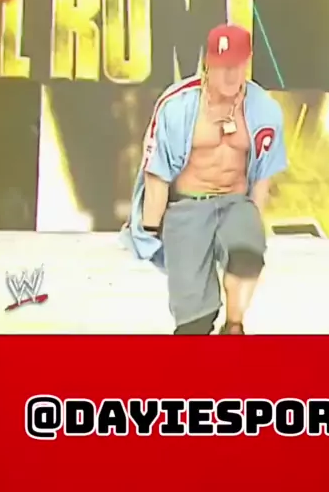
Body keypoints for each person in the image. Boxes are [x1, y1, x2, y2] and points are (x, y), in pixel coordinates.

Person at [121, 23, 288, 334]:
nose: (230, 75)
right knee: (193, 323)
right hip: (187, 206)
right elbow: (157, 169)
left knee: (247, 254)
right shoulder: (177, 105)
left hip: (235, 202)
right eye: (223, 66)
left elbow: (263, 175)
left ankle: (234, 326)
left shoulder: (264, 109)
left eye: (237, 65)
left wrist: (255, 223)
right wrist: (151, 227)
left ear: (248, 62)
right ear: (208, 63)